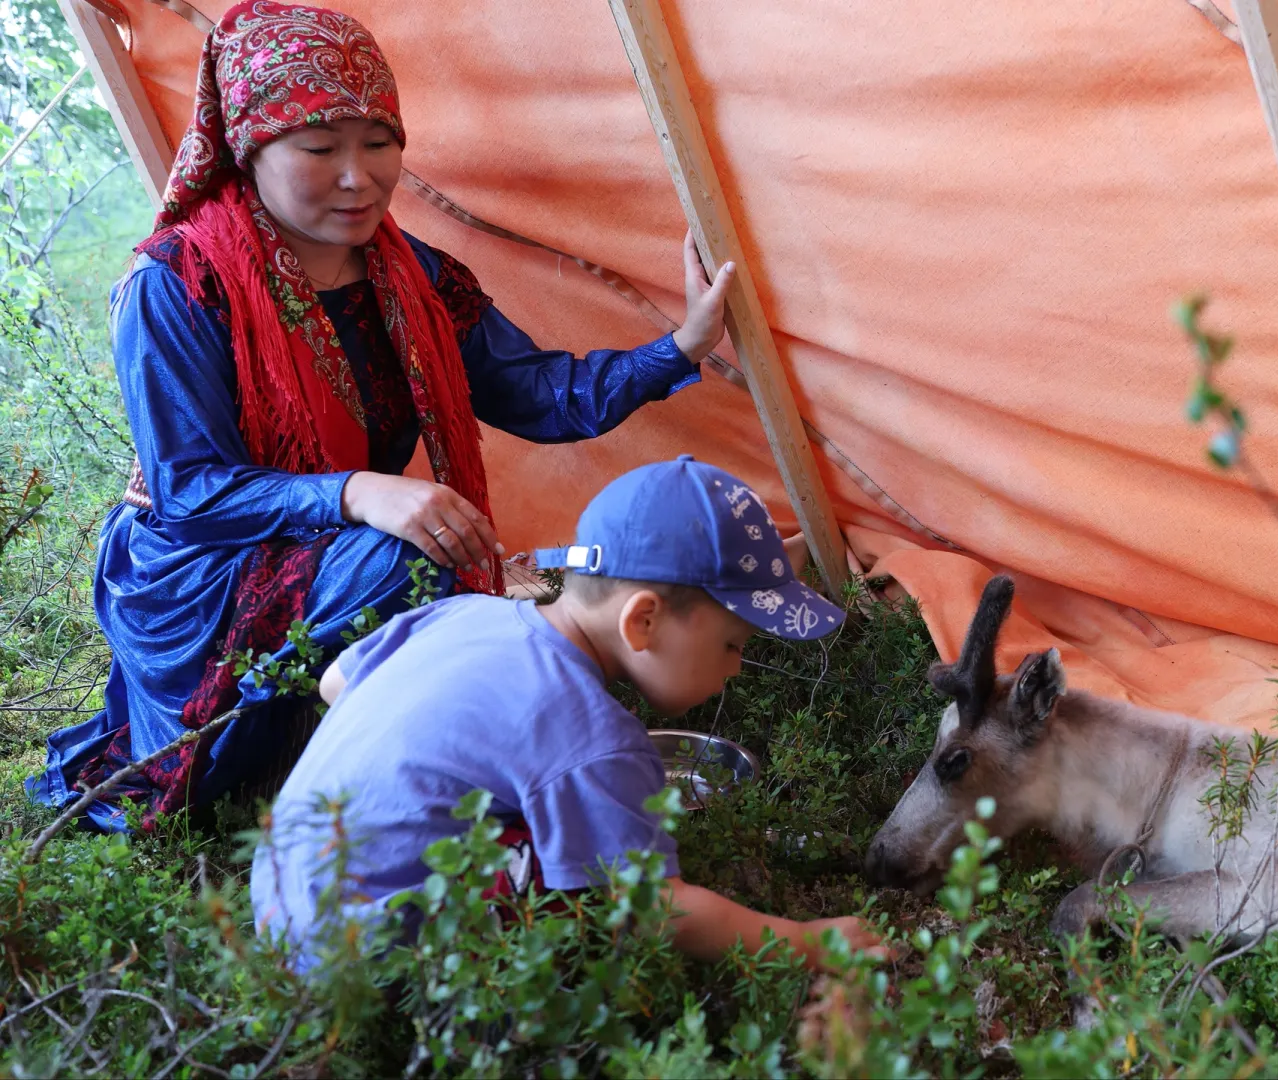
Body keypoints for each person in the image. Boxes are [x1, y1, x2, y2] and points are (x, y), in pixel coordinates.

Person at [27, 1, 736, 831]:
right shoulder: (177, 285)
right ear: (252, 148)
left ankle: (411, 767)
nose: (359, 176)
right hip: (196, 569)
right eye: (320, 147)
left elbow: (541, 397)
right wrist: (359, 492)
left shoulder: (414, 280)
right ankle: (377, 775)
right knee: (405, 561)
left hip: (342, 546)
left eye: (380, 142)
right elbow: (192, 492)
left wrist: (680, 348)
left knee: (416, 555)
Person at [250, 457, 883, 972]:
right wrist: (807, 944)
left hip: (277, 899)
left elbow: (337, 682)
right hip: (358, 959)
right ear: (643, 620)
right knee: (584, 883)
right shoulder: (598, 741)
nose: (737, 668)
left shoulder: (467, 613)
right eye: (732, 644)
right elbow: (653, 907)